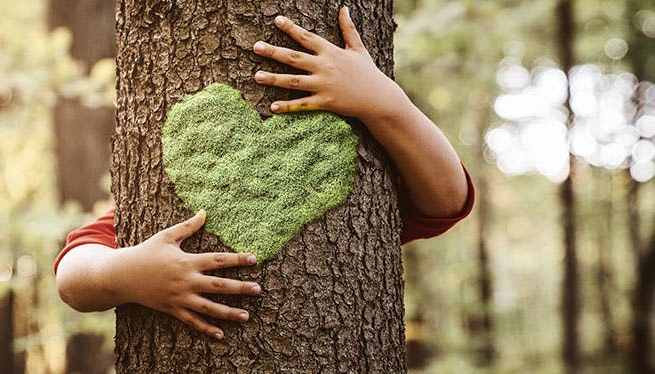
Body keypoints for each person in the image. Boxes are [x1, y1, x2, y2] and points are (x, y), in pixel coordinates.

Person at [54, 7, 474, 341]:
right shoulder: (162, 200)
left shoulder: (368, 181)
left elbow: (448, 199)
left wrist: (385, 102)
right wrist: (128, 274)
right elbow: (73, 275)